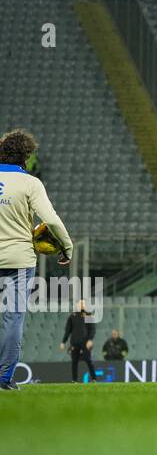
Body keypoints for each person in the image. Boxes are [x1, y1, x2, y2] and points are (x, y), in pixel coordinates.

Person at [0, 129, 74, 391]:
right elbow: (51, 220)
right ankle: (5, 379)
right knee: (13, 318)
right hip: (19, 260)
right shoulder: (31, 184)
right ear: (26, 157)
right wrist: (67, 247)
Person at [61, 299, 98, 382]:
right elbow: (68, 330)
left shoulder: (88, 315)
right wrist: (63, 342)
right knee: (74, 361)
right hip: (74, 342)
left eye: (83, 304)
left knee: (88, 360)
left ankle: (94, 379)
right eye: (80, 304)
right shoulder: (72, 316)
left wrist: (90, 340)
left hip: (85, 342)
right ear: (77, 305)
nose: (82, 305)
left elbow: (92, 329)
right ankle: (74, 380)